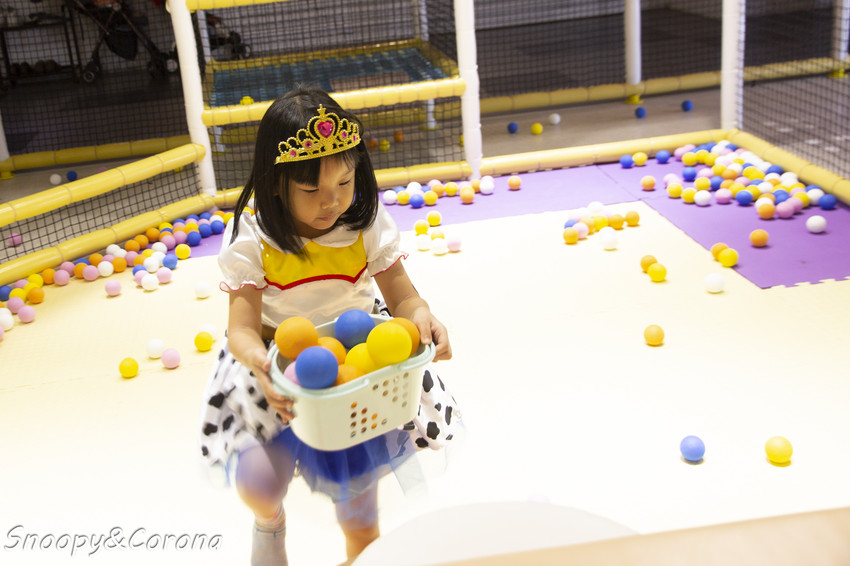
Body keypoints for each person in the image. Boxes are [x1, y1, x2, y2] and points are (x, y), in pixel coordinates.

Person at [198, 85, 461, 566]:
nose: (332, 201)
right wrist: (257, 359)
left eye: (344, 183)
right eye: (312, 190)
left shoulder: (365, 225)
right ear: (277, 184)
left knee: (358, 502)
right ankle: (269, 524)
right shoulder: (253, 241)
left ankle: (362, 554)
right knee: (258, 483)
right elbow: (240, 329)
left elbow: (403, 296)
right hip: (274, 363)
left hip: (355, 370)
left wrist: (422, 316)